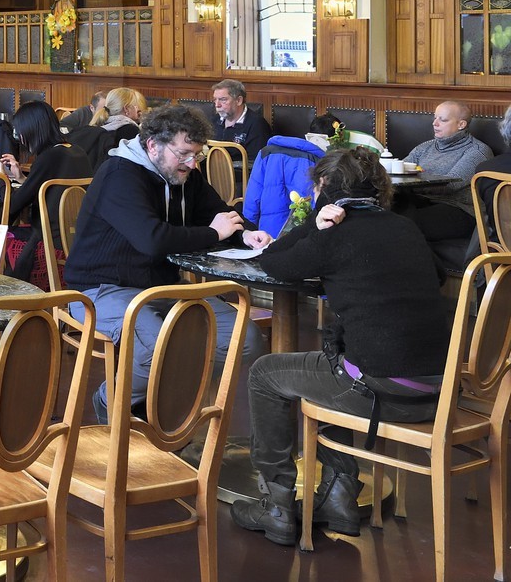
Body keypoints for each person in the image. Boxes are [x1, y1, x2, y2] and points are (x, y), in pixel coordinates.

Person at [231, 147, 451, 545]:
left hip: (382, 390)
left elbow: (273, 261)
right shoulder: (404, 227)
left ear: (324, 187)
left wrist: (316, 225)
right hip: (440, 389)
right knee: (339, 362)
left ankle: (277, 506)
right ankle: (338, 498)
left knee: (266, 373)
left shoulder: (334, 235)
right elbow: (436, 275)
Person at [62, 103, 263, 421]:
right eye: (183, 153)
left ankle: (169, 401)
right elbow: (151, 240)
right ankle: (112, 401)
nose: (190, 163)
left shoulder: (184, 175)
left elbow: (217, 212)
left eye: (195, 154)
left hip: (163, 286)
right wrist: (213, 233)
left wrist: (248, 235)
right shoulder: (120, 175)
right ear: (153, 144)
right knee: (160, 347)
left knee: (245, 339)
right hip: (103, 289)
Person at [0, 100, 92, 283]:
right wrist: (21, 178)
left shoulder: (49, 157)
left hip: (51, 240)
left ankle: (8, 293)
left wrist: (0, 176)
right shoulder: (75, 151)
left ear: (31, 131)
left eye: (20, 133)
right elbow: (51, 190)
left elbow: (11, 207)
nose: (20, 139)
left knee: (1, 235)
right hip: (77, 238)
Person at [398, 99, 492, 246]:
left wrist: (412, 183)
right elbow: (398, 171)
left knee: (405, 223)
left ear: (461, 124)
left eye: (443, 120)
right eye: (435, 118)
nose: (434, 123)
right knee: (383, 213)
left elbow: (449, 185)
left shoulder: (477, 152)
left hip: (459, 210)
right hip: (421, 201)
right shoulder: (425, 147)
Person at [242, 112, 341, 238]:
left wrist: (249, 230)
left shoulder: (266, 153)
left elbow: (252, 198)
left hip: (264, 235)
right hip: (301, 237)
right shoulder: (323, 165)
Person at [63, 86, 145, 168]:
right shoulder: (130, 130)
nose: (140, 110)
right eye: (136, 106)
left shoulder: (101, 123)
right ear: (126, 109)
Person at [212, 79, 268, 159]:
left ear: (238, 101)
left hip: (241, 171)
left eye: (223, 100)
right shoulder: (214, 120)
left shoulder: (257, 125)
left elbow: (256, 163)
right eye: (215, 100)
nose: (217, 105)